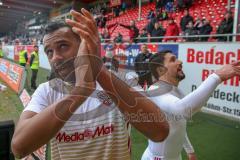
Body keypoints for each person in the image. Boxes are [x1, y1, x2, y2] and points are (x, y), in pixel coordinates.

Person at [11, 8, 169, 160]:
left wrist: (97, 69)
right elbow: (19, 148)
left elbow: (159, 132)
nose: (55, 58)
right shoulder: (46, 91)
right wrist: (80, 92)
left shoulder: (122, 80)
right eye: (49, 52)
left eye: (63, 46)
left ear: (83, 45)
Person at [141, 50, 240, 160]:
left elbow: (179, 124)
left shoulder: (176, 91)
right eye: (173, 60)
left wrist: (189, 150)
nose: (180, 61)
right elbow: (183, 110)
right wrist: (216, 77)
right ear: (160, 70)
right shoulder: (154, 90)